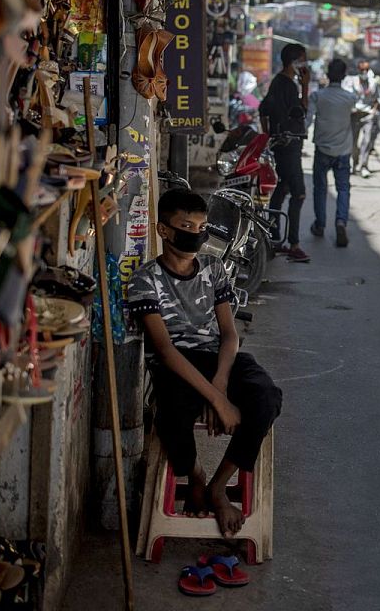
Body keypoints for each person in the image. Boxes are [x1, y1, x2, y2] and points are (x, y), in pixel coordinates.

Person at [127, 188, 283, 538]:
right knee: (171, 414)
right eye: (186, 225)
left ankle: (218, 485)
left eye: (202, 226)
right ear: (163, 230)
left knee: (266, 397)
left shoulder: (214, 268)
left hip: (216, 359)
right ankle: (195, 474)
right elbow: (165, 350)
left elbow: (229, 334)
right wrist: (217, 400)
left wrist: (220, 385)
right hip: (175, 365)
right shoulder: (144, 280)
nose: (196, 233)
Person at [261, 44, 310, 263]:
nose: (305, 64)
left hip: (283, 145)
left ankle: (273, 237)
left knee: (281, 189)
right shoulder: (288, 85)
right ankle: (294, 243)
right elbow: (303, 111)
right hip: (289, 147)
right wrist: (306, 86)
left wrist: (270, 135)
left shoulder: (279, 82)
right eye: (303, 60)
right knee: (298, 193)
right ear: (295, 61)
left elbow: (263, 110)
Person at [304, 58, 358, 247]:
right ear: (343, 76)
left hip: (322, 150)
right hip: (343, 151)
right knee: (343, 189)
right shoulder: (350, 98)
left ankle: (320, 225)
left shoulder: (317, 96)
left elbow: (307, 121)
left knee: (320, 188)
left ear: (327, 74)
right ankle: (341, 221)